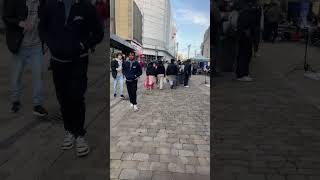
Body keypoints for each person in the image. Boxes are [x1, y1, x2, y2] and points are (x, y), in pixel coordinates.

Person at [39, 0, 104, 157]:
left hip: (78, 61)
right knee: (63, 98)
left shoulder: (86, 7)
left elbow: (98, 33)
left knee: (77, 96)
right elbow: (42, 29)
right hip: (57, 62)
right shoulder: (51, 5)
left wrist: (83, 45)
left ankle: (80, 135)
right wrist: (51, 44)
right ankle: (69, 131)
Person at [2, 0, 48, 116]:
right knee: (16, 77)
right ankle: (15, 101)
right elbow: (6, 17)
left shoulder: (43, 3)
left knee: (38, 76)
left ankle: (38, 105)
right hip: (20, 46)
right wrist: (20, 23)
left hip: (36, 46)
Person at [235, 0, 257, 81]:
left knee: (244, 55)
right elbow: (245, 25)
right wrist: (247, 32)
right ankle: (242, 74)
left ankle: (242, 73)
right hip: (245, 37)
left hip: (244, 36)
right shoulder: (246, 12)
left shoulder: (244, 12)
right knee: (245, 55)